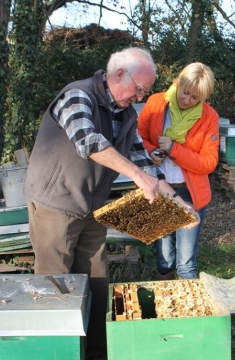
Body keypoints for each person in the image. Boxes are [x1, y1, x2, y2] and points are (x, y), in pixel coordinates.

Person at [24, 47, 196, 360]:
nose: (141, 96)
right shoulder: (78, 95)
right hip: (55, 204)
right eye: (140, 89)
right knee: (57, 284)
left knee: (96, 279)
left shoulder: (127, 114)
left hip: (92, 207)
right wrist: (137, 177)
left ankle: (97, 351)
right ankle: (58, 352)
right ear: (119, 75)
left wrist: (175, 199)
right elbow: (87, 141)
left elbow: (141, 158)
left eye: (145, 91)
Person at [138, 62, 219, 280]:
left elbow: (208, 163)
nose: (187, 101)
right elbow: (138, 138)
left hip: (190, 194)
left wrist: (174, 149)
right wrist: (151, 151)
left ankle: (188, 312)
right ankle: (166, 306)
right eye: (185, 93)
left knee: (186, 264)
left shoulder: (209, 117)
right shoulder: (156, 103)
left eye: (195, 98)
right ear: (177, 82)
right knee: (164, 259)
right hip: (159, 190)